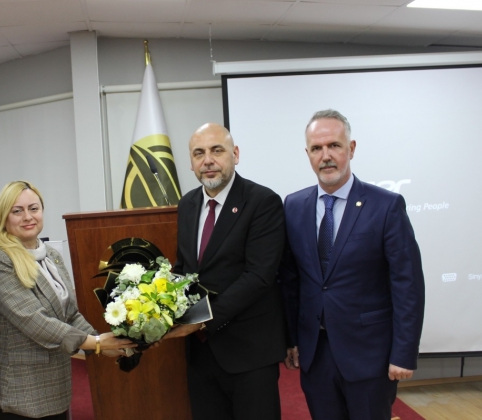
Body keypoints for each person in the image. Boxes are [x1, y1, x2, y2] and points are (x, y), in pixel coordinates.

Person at [280, 109, 426, 420]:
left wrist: (404, 353)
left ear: (352, 148)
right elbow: (291, 280)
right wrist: (291, 339)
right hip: (315, 354)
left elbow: (407, 284)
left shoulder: (386, 206)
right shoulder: (293, 206)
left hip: (370, 356)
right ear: (308, 154)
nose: (326, 156)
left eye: (334, 145)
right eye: (317, 149)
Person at [163, 123, 290, 420]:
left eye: (216, 150)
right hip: (200, 354)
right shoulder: (188, 204)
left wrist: (201, 321)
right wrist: (157, 306)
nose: (208, 160)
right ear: (191, 162)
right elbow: (185, 268)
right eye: (199, 153)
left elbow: (259, 276)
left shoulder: (262, 202)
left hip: (250, 352)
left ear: (235, 154)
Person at [0, 180, 136, 420]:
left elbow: (70, 314)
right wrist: (94, 343)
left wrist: (105, 345)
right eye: (17, 211)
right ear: (4, 217)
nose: (27, 217)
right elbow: (35, 321)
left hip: (56, 385)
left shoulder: (51, 255)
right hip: (22, 392)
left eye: (34, 208)